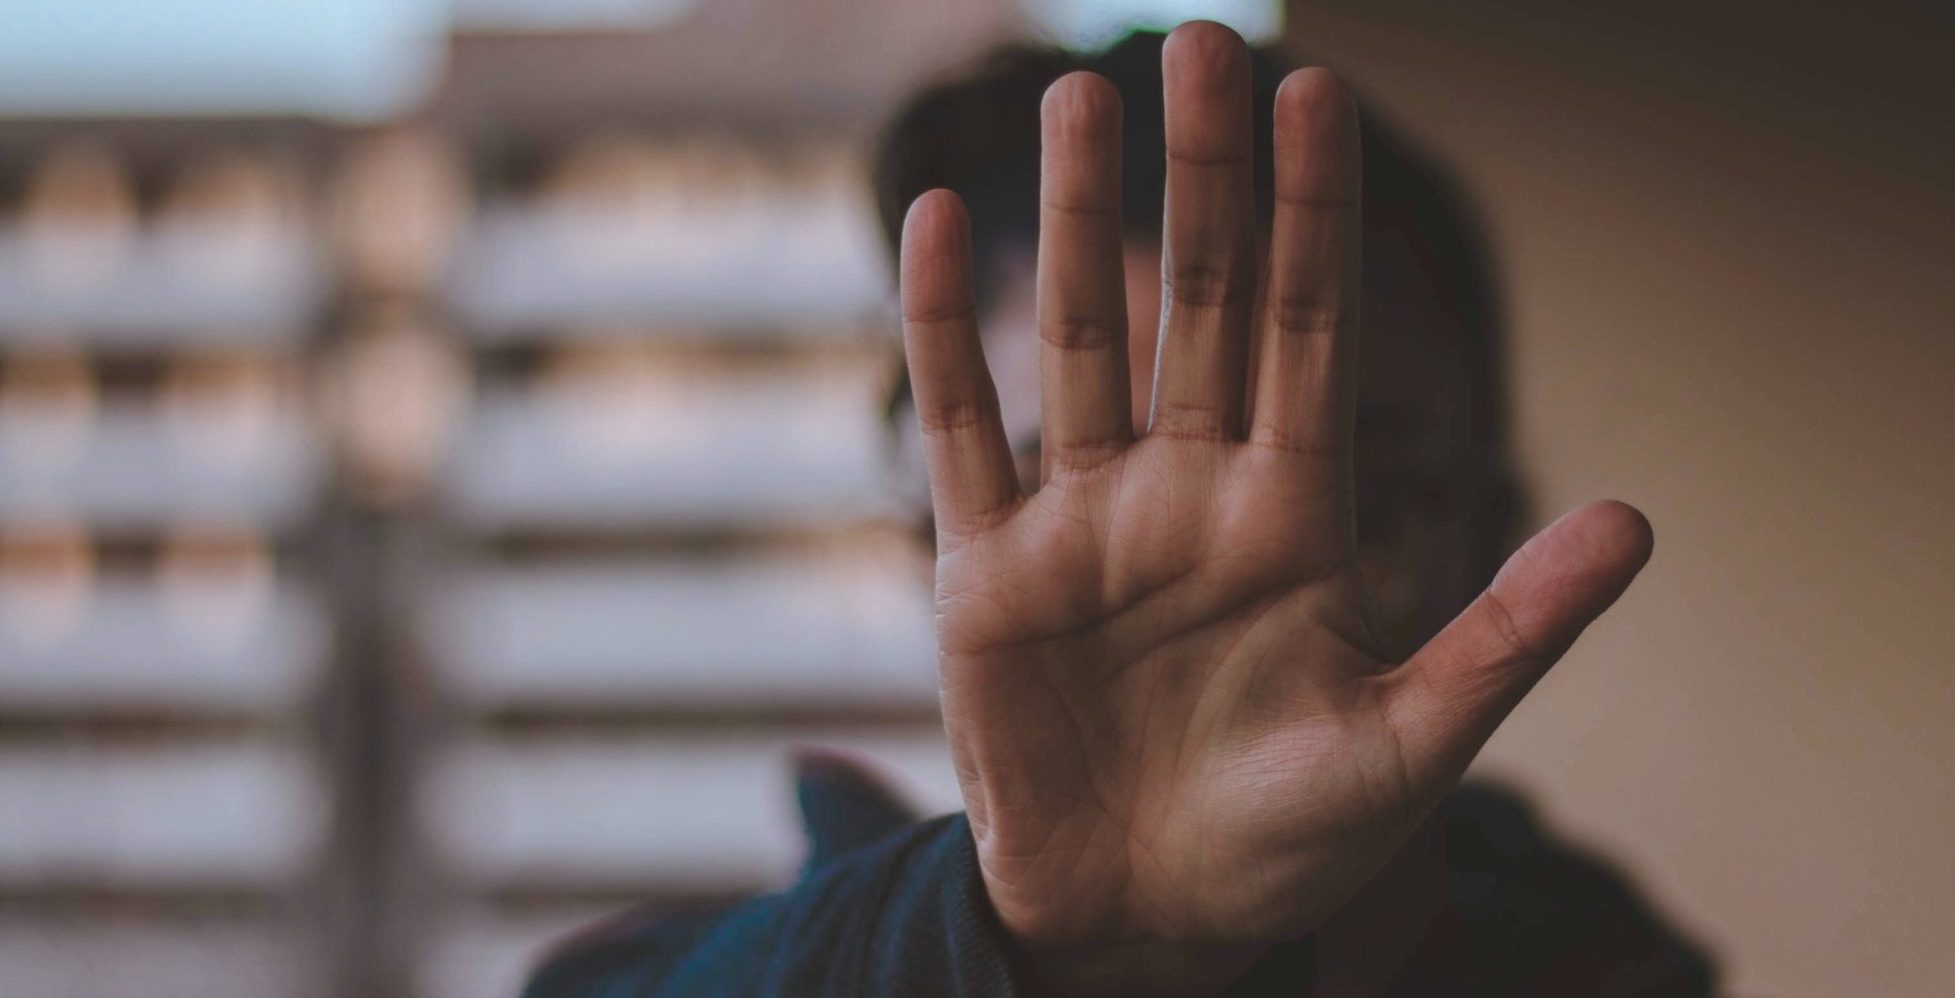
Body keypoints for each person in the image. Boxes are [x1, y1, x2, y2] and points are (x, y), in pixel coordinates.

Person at [525, 23, 1714, 997]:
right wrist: (1061, 954)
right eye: (1074, 493)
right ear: (924, 553)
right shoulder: (775, 964)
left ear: (1495, 543)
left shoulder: (1601, 963)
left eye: (1360, 493)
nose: (1208, 594)